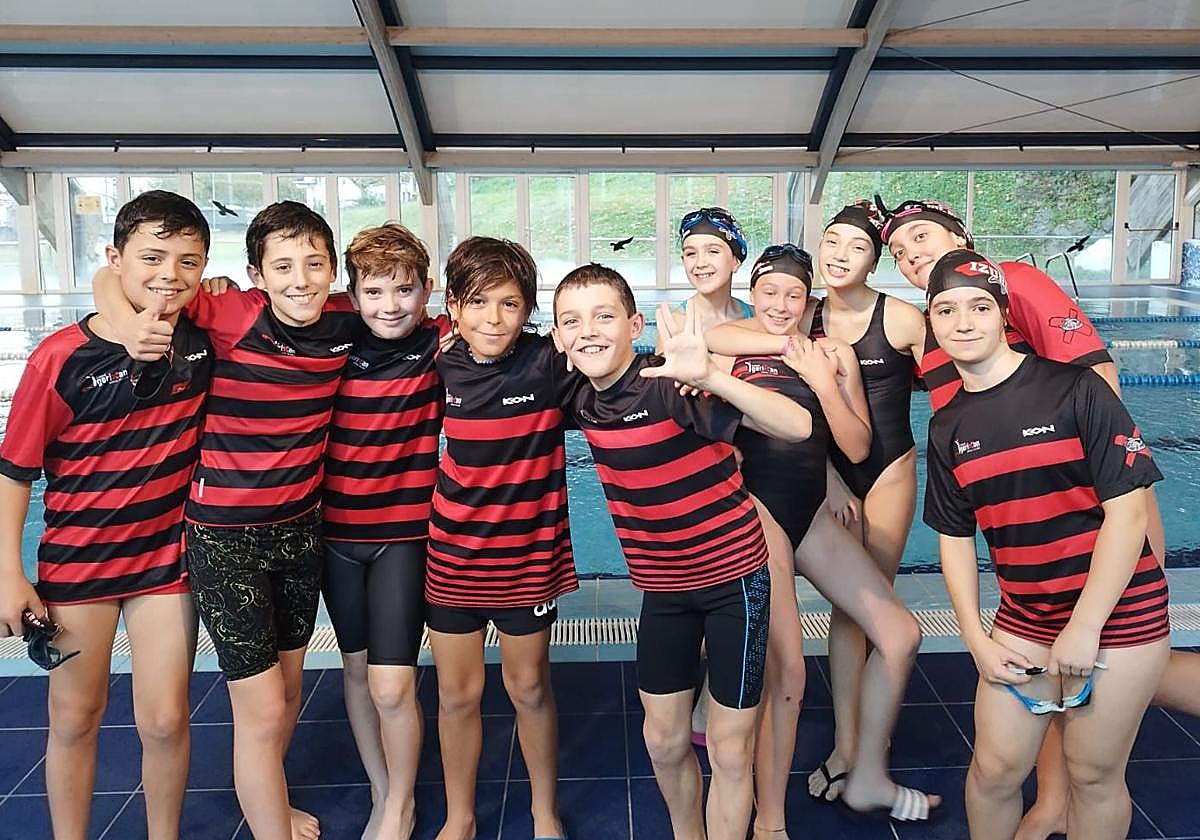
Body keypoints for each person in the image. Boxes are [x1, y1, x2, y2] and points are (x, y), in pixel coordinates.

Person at [880, 195, 1197, 839]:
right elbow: (954, 537)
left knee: (1093, 774)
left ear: (1002, 312)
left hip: (1113, 609)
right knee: (994, 771)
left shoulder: (1071, 381)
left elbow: (1126, 508)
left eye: (976, 307)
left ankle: (1057, 804)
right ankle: (1047, 805)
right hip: (1025, 611)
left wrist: (1087, 625)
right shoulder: (946, 421)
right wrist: (974, 635)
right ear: (930, 325)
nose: (960, 320)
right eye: (944, 310)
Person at [94, 200, 359, 840]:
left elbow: (410, 310)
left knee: (287, 696)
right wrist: (123, 324)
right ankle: (267, 824)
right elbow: (115, 278)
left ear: (333, 271)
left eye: (315, 264)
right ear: (256, 275)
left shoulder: (348, 319)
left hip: (302, 531)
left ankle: (270, 799)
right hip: (225, 537)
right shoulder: (232, 312)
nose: (302, 280)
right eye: (284, 266)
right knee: (262, 709)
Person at [552, 262, 815, 840]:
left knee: (727, 748)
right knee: (664, 741)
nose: (588, 330)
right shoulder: (578, 394)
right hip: (665, 591)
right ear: (558, 339)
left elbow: (796, 425)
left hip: (735, 583)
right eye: (571, 320)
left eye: (603, 316)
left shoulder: (672, 384)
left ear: (634, 324)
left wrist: (714, 377)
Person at [0, 190, 213, 840]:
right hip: (76, 569)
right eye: (152, 256)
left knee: (167, 718)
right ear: (115, 257)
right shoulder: (59, 357)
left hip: (165, 567)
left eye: (188, 261)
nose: (169, 275)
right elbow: (15, 471)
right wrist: (8, 572)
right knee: (73, 715)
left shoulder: (200, 344)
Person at [705, 247, 939, 829]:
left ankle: (865, 775)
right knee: (789, 676)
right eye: (769, 292)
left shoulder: (833, 353)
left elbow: (858, 446)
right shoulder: (727, 345)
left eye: (793, 294)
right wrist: (783, 348)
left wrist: (823, 382)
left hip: (809, 511)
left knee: (901, 634)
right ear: (752, 292)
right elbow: (717, 347)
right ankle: (771, 821)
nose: (780, 304)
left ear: (809, 300)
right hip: (755, 512)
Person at [426, 237, 577, 840]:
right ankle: (460, 816)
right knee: (457, 695)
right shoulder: (437, 361)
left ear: (529, 309)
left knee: (530, 687)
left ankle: (544, 812)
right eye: (479, 302)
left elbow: (620, 365)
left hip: (530, 559)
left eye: (510, 304)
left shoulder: (549, 363)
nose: (494, 318)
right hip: (453, 559)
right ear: (454, 306)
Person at [322, 222, 444, 840]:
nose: (390, 306)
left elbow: (507, 326)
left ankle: (401, 800)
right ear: (352, 293)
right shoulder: (332, 334)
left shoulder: (439, 342)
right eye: (374, 292)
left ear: (427, 291)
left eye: (404, 290)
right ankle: (380, 788)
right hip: (335, 537)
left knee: (392, 684)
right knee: (354, 669)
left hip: (404, 535)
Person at [803, 201, 927, 803]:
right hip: (832, 474)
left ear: (874, 260)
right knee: (845, 608)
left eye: (854, 246)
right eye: (831, 242)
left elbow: (957, 389)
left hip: (890, 472)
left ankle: (864, 747)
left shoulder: (901, 319)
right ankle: (847, 744)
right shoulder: (802, 317)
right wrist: (827, 472)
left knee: (870, 605)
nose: (839, 254)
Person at [658, 207, 754, 347]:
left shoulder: (756, 316)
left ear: (736, 261)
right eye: (691, 254)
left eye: (713, 251)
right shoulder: (674, 324)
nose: (700, 263)